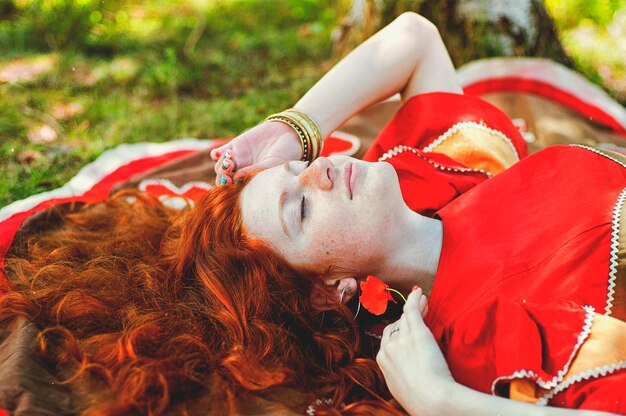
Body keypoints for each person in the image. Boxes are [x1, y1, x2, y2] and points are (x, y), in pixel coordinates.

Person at [1, 11, 624, 416]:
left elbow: (414, 36)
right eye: (300, 206)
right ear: (332, 291)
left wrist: (290, 129)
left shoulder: (438, 176)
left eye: (302, 168)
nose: (320, 168)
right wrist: (440, 403)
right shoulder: (487, 343)